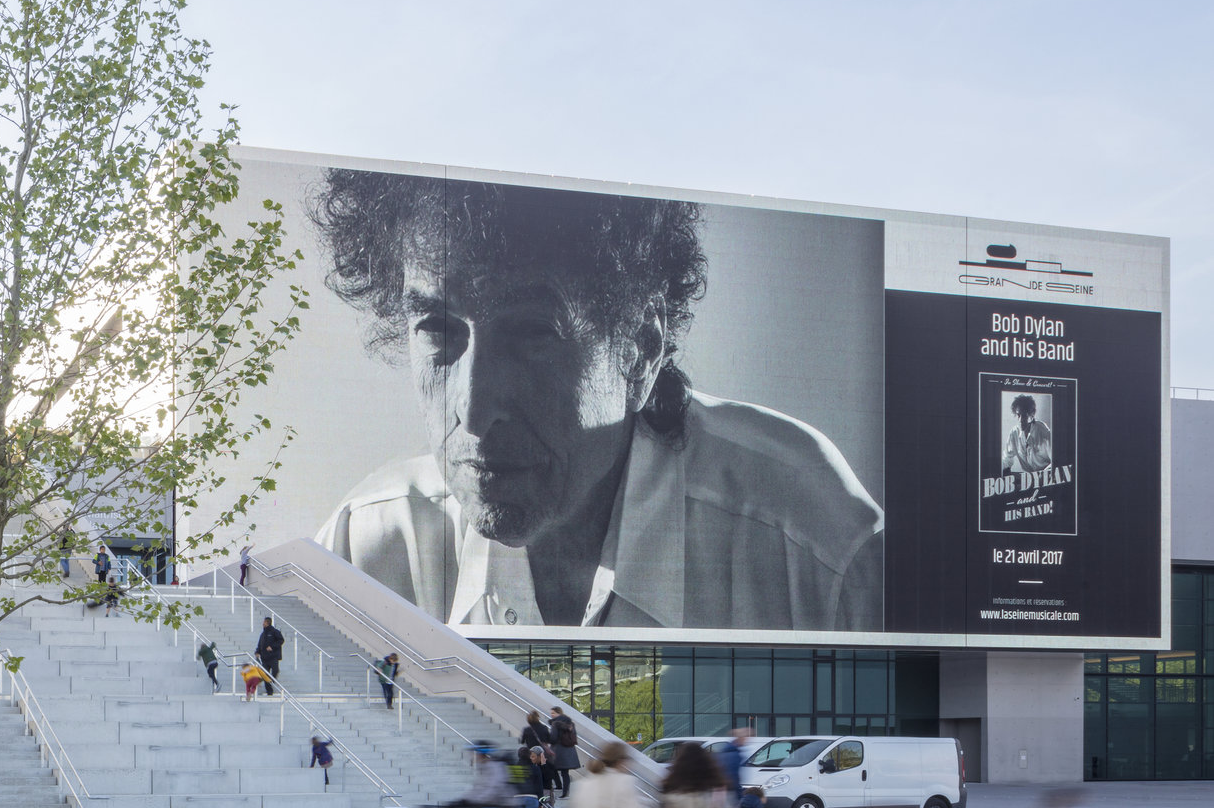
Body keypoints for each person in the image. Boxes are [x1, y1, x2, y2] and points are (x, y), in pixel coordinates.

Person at [305, 172, 884, 631]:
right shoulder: (366, 553)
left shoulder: (813, 545)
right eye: (437, 328)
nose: (475, 414)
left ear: (641, 346)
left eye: (533, 333)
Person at [1004, 393, 1054, 475]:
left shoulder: (1044, 432)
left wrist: (1042, 476)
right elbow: (1006, 459)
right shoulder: (1014, 433)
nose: (1020, 420)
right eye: (1018, 415)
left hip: (1047, 479)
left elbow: (1056, 463)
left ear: (1032, 414)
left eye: (1024, 415)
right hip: (1028, 480)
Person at [547, 705, 580, 794]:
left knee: (551, 767)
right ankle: (565, 791)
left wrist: (547, 739)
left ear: (559, 713)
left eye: (553, 713)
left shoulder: (555, 724)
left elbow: (553, 738)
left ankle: (558, 785)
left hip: (558, 750)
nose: (552, 715)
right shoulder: (570, 723)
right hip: (569, 750)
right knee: (565, 772)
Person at [716, 726, 753, 794]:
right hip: (730, 791)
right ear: (741, 738)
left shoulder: (727, 750)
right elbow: (733, 776)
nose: (747, 740)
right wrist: (739, 793)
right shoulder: (734, 754)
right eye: (746, 738)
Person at [254, 616, 285, 691]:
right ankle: (269, 691)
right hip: (264, 658)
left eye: (264, 622)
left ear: (268, 623)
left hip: (273, 657)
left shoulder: (275, 632)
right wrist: (257, 652)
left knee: (275, 670)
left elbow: (281, 640)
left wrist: (272, 647)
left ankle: (271, 681)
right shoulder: (263, 634)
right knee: (265, 674)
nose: (263, 623)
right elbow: (260, 644)